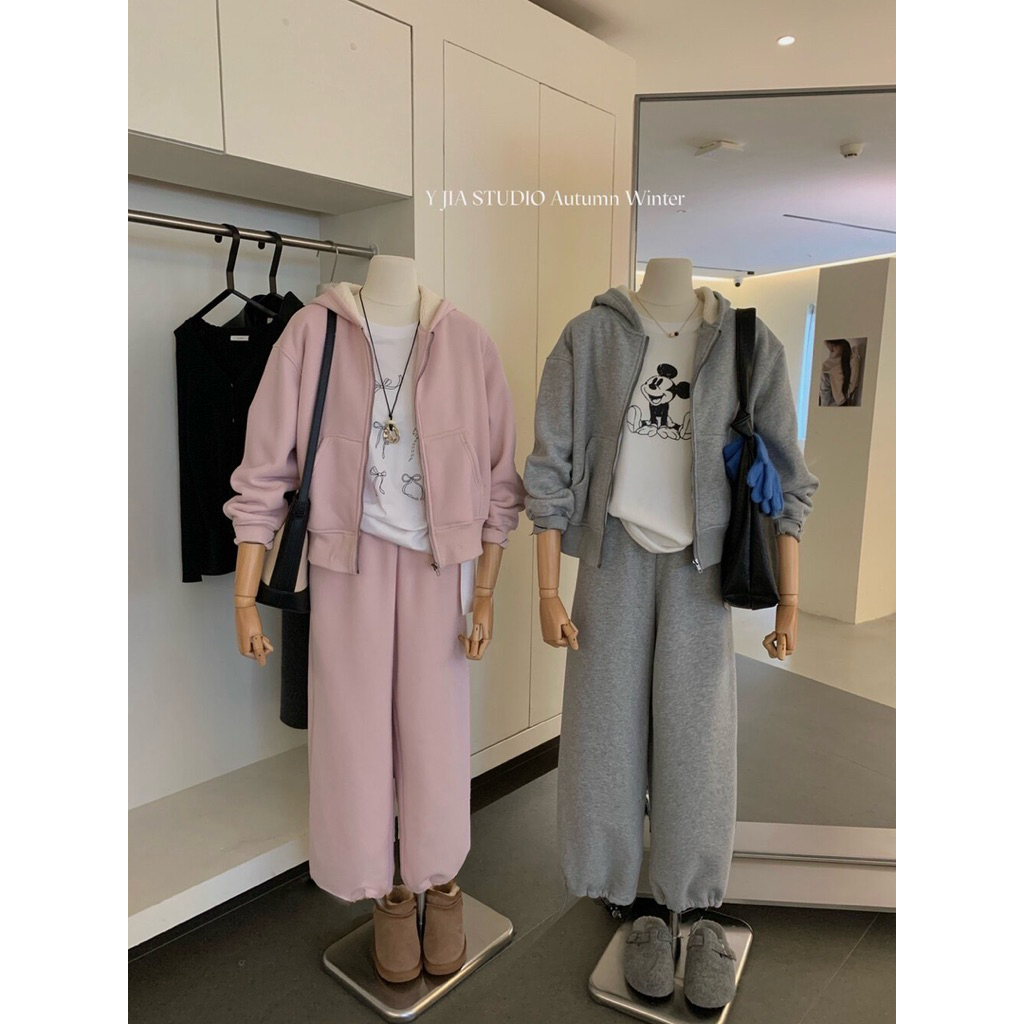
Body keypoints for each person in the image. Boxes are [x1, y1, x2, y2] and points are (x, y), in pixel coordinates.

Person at [818, 338, 861, 406]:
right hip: (841, 404)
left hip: (837, 405)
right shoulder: (853, 358)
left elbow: (825, 397)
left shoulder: (827, 367)